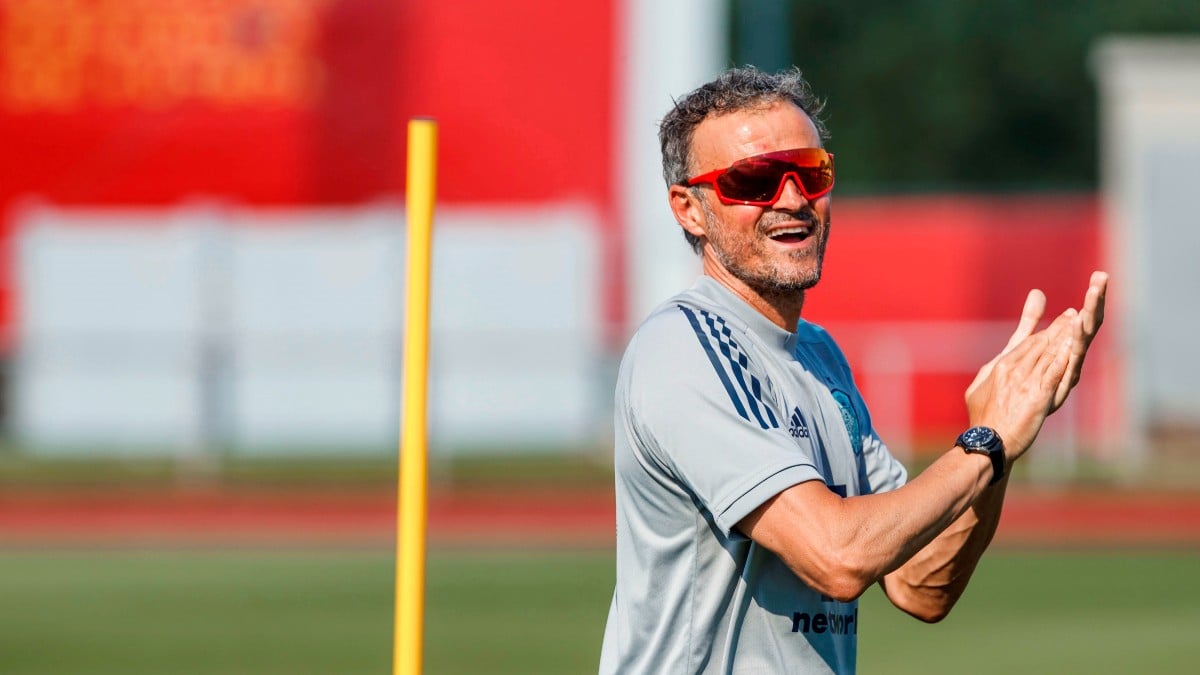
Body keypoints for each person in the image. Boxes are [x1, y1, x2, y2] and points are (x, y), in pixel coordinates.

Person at [598, 66, 1108, 674]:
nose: (791, 199)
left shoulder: (817, 354)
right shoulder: (684, 348)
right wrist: (984, 443)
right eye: (754, 181)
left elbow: (922, 584)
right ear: (690, 209)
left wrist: (1001, 442)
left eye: (809, 173)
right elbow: (837, 557)